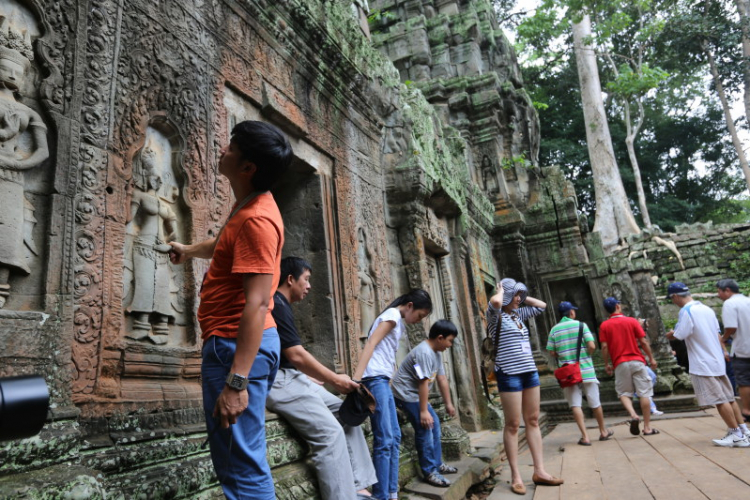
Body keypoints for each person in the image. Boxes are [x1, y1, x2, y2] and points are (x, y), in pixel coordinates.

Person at [168, 120, 293, 499]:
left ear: (247, 167)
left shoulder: (256, 219)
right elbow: (224, 243)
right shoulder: (250, 207)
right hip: (236, 348)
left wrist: (236, 383)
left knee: (241, 467)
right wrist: (189, 250)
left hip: (235, 350)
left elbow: (255, 303)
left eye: (232, 147)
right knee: (237, 460)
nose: (224, 149)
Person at [265, 256, 377, 499]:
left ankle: (359, 485)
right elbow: (296, 355)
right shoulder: (274, 303)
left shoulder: (283, 306)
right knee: (330, 434)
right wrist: (334, 380)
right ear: (290, 279)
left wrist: (309, 376)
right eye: (306, 280)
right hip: (276, 381)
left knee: (346, 414)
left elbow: (291, 358)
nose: (309, 286)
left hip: (292, 375)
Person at [353, 289, 433, 500]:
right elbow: (370, 344)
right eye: (420, 315)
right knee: (385, 438)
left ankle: (391, 492)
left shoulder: (396, 319)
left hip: (382, 380)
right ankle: (381, 495)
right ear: (410, 306)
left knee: (394, 436)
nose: (418, 320)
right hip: (374, 379)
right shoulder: (391, 317)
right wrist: (356, 380)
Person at [487, 278, 562, 496]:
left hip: (529, 372)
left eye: (520, 295)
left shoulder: (518, 315)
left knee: (532, 420)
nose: (519, 299)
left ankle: (540, 471)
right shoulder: (495, 315)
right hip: (509, 374)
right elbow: (495, 302)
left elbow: (542, 306)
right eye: (515, 295)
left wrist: (521, 293)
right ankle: (516, 476)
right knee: (512, 424)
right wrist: (503, 291)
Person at [666, 282, 750, 447]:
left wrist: (670, 334)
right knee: (728, 398)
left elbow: (681, 334)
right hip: (716, 359)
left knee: (719, 400)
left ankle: (735, 434)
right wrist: (724, 351)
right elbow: (718, 334)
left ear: (675, 296)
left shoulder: (686, 311)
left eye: (672, 299)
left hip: (702, 362)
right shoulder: (707, 309)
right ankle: (743, 430)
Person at [391, 319, 459, 488]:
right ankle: (429, 471)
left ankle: (437, 464)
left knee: (434, 424)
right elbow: (423, 383)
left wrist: (449, 403)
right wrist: (423, 411)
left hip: (416, 394)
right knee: (426, 427)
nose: (450, 345)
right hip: (405, 394)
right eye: (450, 340)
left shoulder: (435, 352)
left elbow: (442, 379)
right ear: (440, 338)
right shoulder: (423, 353)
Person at [546, 301, 614, 445]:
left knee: (575, 405)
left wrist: (564, 356)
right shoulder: (581, 325)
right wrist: (586, 355)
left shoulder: (554, 330)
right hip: (586, 370)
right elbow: (591, 345)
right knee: (595, 402)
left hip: (568, 373)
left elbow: (551, 352)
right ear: (571, 313)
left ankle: (585, 437)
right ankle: (603, 431)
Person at [599, 297, 659, 437]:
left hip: (620, 363)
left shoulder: (605, 326)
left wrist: (607, 363)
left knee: (624, 393)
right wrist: (651, 358)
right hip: (637, 361)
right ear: (618, 306)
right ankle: (647, 428)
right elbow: (643, 341)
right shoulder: (631, 321)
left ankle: (633, 415)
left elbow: (604, 346)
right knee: (644, 393)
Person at [717, 278, 750, 424]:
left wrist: (723, 338)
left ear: (727, 290)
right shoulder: (748, 300)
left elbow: (731, 327)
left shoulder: (730, 303)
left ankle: (747, 411)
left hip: (743, 349)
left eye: (719, 291)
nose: (718, 295)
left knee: (744, 382)